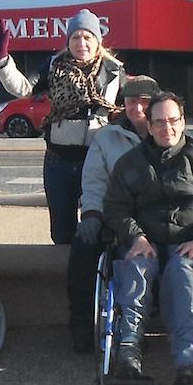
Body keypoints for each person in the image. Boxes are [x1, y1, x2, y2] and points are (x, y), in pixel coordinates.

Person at [102, 93, 193, 385]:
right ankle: (128, 354)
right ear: (148, 126)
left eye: (173, 120)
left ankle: (190, 363)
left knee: (183, 274)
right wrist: (135, 236)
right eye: (160, 122)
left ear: (183, 121)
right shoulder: (129, 163)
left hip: (190, 243)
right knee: (134, 270)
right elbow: (115, 207)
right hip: (143, 242)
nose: (168, 128)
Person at [0, 10, 126, 246]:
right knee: (62, 233)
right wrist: (2, 60)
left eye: (87, 37)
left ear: (97, 41)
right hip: (58, 162)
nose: (81, 43)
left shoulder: (113, 71)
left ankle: (94, 279)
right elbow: (22, 88)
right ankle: (65, 278)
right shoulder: (53, 66)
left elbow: (133, 105)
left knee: (99, 229)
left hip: (96, 162)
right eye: (75, 37)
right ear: (68, 41)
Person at [65, 75, 161, 352]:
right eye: (131, 102)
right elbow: (94, 180)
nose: (137, 109)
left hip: (155, 218)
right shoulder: (108, 137)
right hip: (112, 216)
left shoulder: (168, 133)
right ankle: (82, 323)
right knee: (83, 248)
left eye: (143, 102)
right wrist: (92, 214)